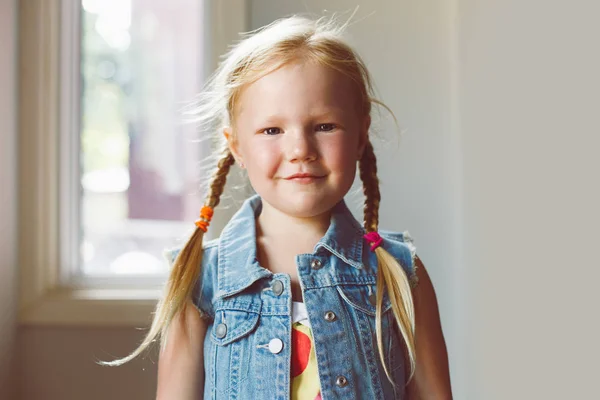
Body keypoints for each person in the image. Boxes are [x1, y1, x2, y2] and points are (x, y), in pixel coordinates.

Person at [103, 14, 452, 399]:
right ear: (236, 146)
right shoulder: (199, 281)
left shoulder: (401, 274)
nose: (300, 149)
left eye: (324, 126)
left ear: (360, 135)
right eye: (272, 130)